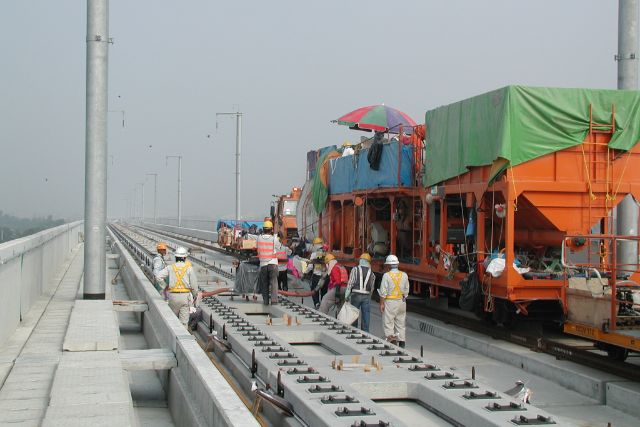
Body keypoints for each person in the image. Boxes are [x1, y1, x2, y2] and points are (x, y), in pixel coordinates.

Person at [157, 246, 199, 326]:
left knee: (173, 320)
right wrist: (194, 295)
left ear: (176, 257)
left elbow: (158, 276)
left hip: (173, 296)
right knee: (183, 322)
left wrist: (165, 286)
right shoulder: (189, 268)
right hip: (185, 297)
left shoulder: (170, 267)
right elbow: (194, 285)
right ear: (184, 257)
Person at [378, 254, 409, 348]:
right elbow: (406, 291)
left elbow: (383, 291)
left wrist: (382, 303)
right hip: (402, 302)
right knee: (400, 323)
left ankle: (391, 343)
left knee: (388, 322)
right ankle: (402, 343)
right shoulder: (404, 275)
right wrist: (403, 299)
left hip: (390, 302)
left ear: (388, 265)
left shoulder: (386, 276)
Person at [344, 253, 375, 332]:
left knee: (354, 313)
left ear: (361, 260)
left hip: (356, 294)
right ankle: (365, 332)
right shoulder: (372, 273)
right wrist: (369, 297)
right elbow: (372, 287)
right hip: (366, 295)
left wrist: (346, 295)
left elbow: (351, 283)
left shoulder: (355, 269)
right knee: (366, 315)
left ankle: (354, 330)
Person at [257, 220, 283, 305]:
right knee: (274, 282)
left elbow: (258, 249)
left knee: (264, 283)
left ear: (263, 229)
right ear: (271, 229)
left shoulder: (259, 238)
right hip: (273, 263)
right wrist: (278, 238)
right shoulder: (273, 239)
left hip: (263, 264)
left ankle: (265, 301)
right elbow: (279, 248)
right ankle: (274, 301)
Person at [306, 237, 327, 309]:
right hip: (325, 276)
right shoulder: (326, 253)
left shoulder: (314, 254)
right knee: (324, 291)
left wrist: (305, 273)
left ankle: (317, 303)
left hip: (317, 276)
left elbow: (310, 267)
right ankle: (323, 305)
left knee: (314, 290)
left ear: (315, 245)